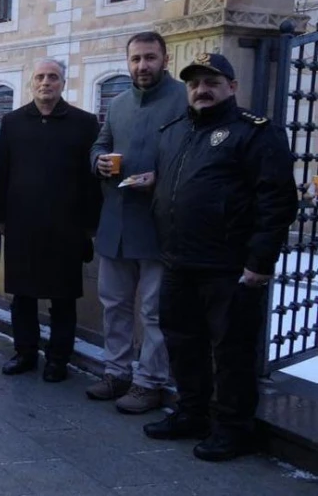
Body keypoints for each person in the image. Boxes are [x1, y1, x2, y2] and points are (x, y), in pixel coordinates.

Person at [144, 53, 296, 462]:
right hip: (179, 261)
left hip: (228, 267)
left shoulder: (255, 133)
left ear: (231, 87)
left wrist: (260, 262)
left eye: (212, 81)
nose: (201, 90)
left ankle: (233, 428)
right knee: (183, 344)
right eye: (194, 83)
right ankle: (191, 412)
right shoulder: (174, 131)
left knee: (231, 351)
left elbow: (277, 200)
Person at [87, 31, 188, 413]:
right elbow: (101, 143)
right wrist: (96, 162)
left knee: (153, 311)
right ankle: (116, 373)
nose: (142, 66)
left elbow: (192, 156)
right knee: (113, 304)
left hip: (159, 224)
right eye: (135, 59)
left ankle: (150, 382)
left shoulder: (183, 99)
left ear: (165, 59)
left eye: (149, 57)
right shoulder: (118, 103)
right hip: (116, 222)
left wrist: (159, 180)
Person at [0, 59, 101, 383]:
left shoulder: (85, 123)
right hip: (22, 226)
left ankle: (58, 360)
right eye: (39, 77)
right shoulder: (12, 122)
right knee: (23, 298)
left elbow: (92, 180)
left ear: (62, 83)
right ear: (31, 84)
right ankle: (25, 353)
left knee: (63, 299)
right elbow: (2, 171)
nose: (45, 83)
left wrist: (89, 226)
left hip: (65, 228)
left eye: (52, 77)